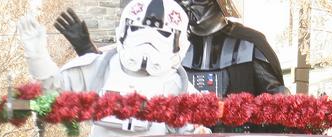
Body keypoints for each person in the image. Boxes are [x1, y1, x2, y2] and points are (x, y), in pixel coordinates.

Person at [18, 2, 201, 137]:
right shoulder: (100, 68)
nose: (149, 40)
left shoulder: (180, 87)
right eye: (138, 29)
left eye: (163, 34)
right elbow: (51, 90)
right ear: (124, 31)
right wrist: (37, 55)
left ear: (180, 44)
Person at [56, 1, 287, 100]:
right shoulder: (163, 44)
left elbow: (278, 102)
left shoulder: (249, 43)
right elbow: (122, 80)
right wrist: (86, 49)